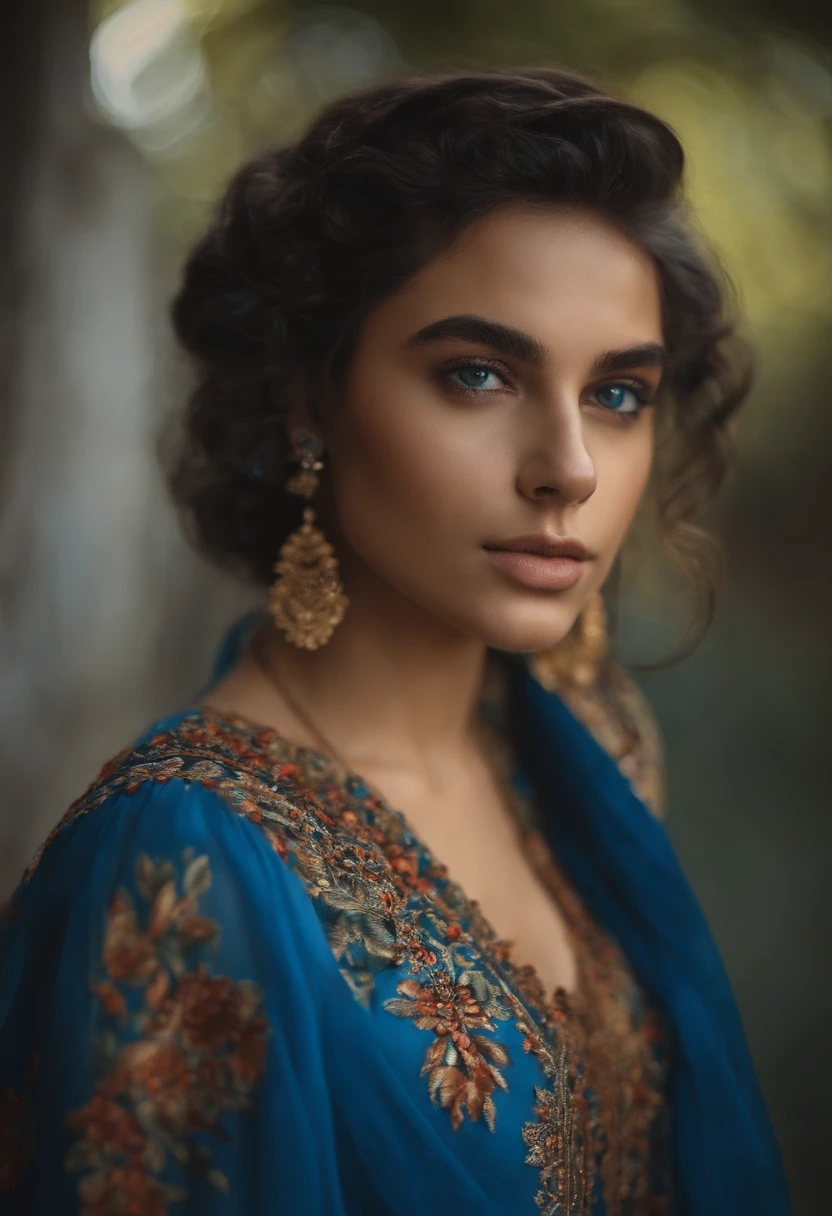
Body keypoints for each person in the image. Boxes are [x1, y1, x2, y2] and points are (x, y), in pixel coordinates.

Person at [0, 67, 789, 1216]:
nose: (567, 467)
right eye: (478, 374)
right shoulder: (183, 852)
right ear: (306, 400)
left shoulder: (578, 746)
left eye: (618, 393)